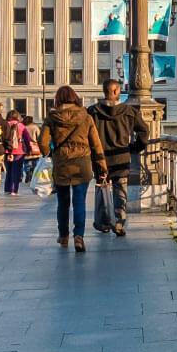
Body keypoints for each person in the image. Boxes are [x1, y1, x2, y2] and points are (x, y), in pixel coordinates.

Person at [40, 86, 108, 252]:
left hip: (62, 164)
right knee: (79, 201)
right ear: (75, 98)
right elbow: (96, 143)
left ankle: (63, 236)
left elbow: (42, 142)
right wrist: (102, 166)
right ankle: (79, 236)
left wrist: (49, 153)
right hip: (82, 164)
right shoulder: (86, 116)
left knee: (62, 202)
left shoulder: (52, 117)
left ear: (58, 100)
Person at [87, 79, 151, 237]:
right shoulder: (129, 111)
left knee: (102, 188)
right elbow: (144, 131)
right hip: (121, 157)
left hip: (100, 158)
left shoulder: (92, 111)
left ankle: (102, 223)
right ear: (116, 92)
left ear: (104, 91)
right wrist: (135, 148)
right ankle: (119, 221)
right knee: (120, 189)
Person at [4, 111, 35, 196]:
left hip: (7, 151)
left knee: (8, 170)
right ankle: (14, 189)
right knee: (16, 171)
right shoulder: (21, 126)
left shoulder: (4, 124)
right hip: (19, 151)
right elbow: (27, 139)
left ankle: (7, 188)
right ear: (18, 117)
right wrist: (29, 150)